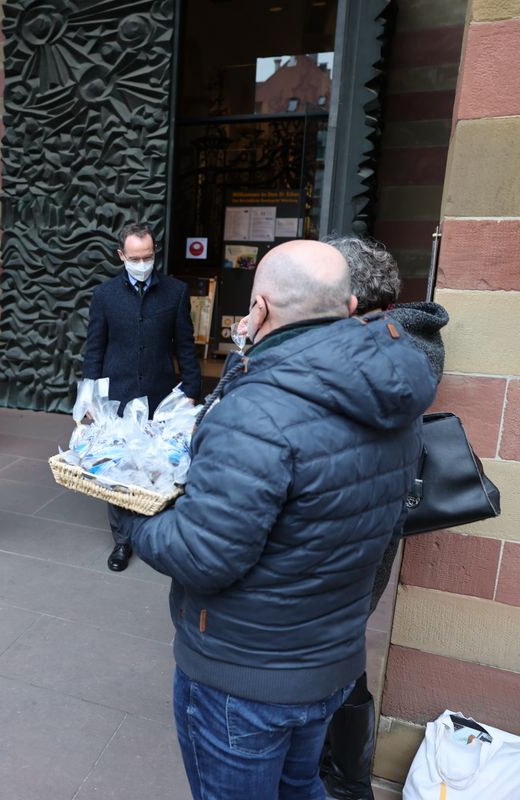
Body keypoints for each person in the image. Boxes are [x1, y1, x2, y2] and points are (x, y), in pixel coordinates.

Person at [121, 240, 437, 799]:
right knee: (301, 785)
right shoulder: (398, 396)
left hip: (245, 673)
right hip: (331, 659)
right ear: (349, 306)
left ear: (259, 308)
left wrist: (135, 515)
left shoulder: (257, 409)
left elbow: (202, 555)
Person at [318, 235, 448, 800]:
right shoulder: (395, 341)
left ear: (346, 299)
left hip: (353, 526)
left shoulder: (379, 353)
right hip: (362, 520)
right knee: (341, 643)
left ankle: (344, 777)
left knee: (335, 647)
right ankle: (342, 772)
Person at [82, 221, 201, 572]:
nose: (142, 263)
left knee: (157, 465)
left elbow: (185, 345)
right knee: (118, 467)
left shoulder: (175, 292)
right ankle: (123, 541)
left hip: (160, 394)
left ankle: (154, 532)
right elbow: (94, 349)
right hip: (117, 396)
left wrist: (191, 391)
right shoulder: (104, 295)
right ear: (121, 255)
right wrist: (89, 397)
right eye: (135, 258)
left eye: (147, 256)